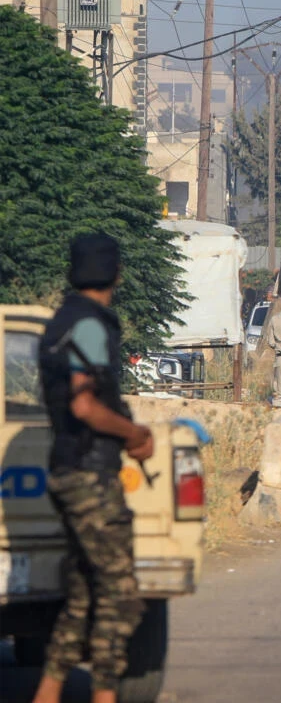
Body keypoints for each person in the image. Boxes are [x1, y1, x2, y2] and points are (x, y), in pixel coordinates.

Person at [34, 233, 152, 703]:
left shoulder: (61, 321)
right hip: (88, 474)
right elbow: (84, 404)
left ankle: (48, 691)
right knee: (120, 596)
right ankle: (104, 694)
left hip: (68, 468)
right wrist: (134, 434)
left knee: (84, 594)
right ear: (117, 275)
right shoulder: (88, 325)